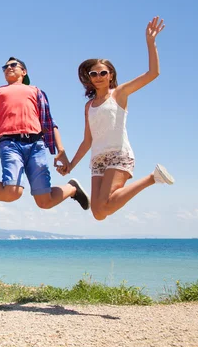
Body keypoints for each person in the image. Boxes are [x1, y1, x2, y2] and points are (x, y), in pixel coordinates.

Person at [57, 17, 174, 220]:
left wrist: (150, 42)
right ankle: (153, 177)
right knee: (99, 213)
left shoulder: (119, 94)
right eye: (94, 73)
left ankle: (152, 178)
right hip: (97, 159)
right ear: (90, 78)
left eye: (103, 72)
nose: (99, 76)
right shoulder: (89, 106)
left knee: (106, 204)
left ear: (110, 75)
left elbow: (153, 73)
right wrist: (71, 166)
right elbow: (87, 141)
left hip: (119, 155)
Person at [0, 57, 91, 218]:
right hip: (9, 143)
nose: (8, 68)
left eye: (13, 65)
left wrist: (60, 149)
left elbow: (49, 121)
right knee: (12, 192)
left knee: (45, 202)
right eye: (5, 67)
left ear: (24, 71)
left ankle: (72, 189)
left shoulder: (36, 91)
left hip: (36, 145)